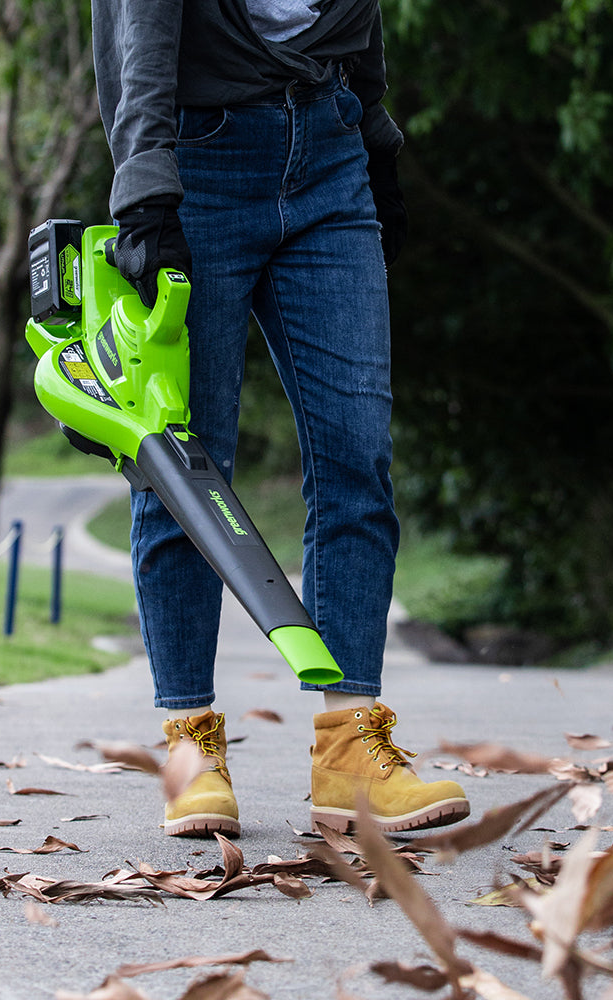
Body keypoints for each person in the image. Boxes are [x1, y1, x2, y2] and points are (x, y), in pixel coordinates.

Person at [92, 0, 470, 838]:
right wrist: (145, 185)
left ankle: (350, 751)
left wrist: (377, 142)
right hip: (200, 164)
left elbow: (355, 24)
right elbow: (138, 35)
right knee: (184, 465)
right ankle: (191, 746)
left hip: (330, 159)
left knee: (357, 456)